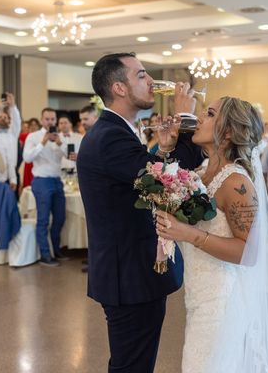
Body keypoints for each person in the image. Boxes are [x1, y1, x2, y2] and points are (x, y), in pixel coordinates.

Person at [155, 96, 268, 372]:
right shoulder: (198, 174)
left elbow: (249, 253)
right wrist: (164, 151)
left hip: (223, 302)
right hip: (198, 294)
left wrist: (187, 233)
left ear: (229, 131)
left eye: (209, 114)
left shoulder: (236, 183)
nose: (199, 118)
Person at [77, 53, 203, 373]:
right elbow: (165, 183)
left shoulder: (118, 130)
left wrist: (160, 150)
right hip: (128, 273)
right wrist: (186, 118)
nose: (152, 82)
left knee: (132, 362)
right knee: (132, 365)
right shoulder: (110, 135)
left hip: (131, 268)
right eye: (142, 75)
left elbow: (138, 176)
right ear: (119, 88)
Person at [23, 108, 68, 267]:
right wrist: (42, 142)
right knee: (43, 219)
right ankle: (45, 255)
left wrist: (60, 143)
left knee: (60, 217)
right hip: (41, 181)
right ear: (42, 120)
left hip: (57, 180)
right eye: (47, 119)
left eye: (52, 119)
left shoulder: (60, 136)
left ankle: (56, 250)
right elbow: (27, 158)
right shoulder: (33, 136)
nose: (50, 122)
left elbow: (69, 156)